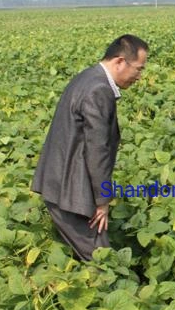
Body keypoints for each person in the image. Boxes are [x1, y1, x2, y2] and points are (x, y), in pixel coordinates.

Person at [31, 34, 148, 260]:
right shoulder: (98, 90)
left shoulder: (87, 77)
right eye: (139, 68)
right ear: (120, 61)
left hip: (60, 184)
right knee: (101, 260)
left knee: (86, 257)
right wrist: (102, 201)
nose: (139, 76)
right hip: (71, 193)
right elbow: (97, 150)